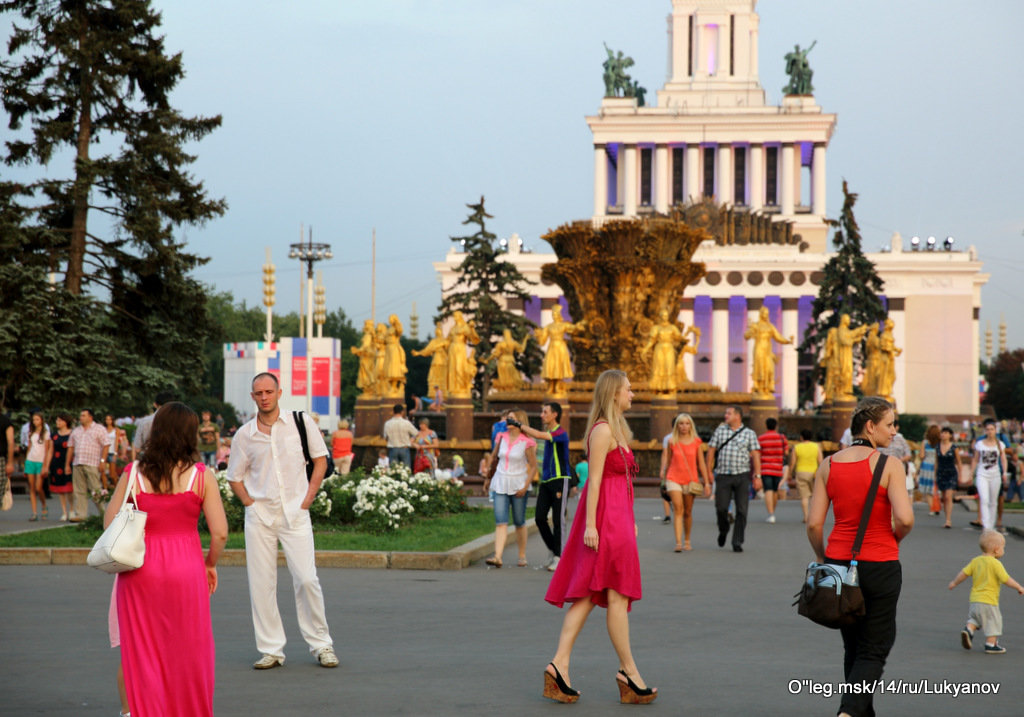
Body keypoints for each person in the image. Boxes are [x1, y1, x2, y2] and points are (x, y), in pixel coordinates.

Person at [107, 401, 228, 717]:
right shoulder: (201, 476)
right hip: (187, 569)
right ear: (190, 434)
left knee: (141, 650)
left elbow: (109, 524)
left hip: (139, 570)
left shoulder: (133, 473)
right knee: (189, 649)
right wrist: (210, 564)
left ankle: (144, 711)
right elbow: (220, 534)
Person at [543, 370, 656, 704]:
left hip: (617, 520)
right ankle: (629, 673)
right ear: (614, 393)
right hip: (605, 522)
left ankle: (559, 665)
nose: (632, 395)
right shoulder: (603, 430)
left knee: (591, 593)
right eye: (628, 390)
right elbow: (593, 482)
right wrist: (591, 525)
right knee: (616, 594)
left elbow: (620, 483)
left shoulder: (615, 429)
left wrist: (629, 519)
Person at [807, 397, 913, 717]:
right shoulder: (889, 465)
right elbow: (905, 519)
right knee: (874, 648)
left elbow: (813, 523)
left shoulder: (828, 464)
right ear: (870, 426)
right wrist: (892, 539)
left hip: (839, 562)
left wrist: (825, 557)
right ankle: (847, 713)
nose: (894, 431)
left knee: (853, 646)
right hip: (880, 562)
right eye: (890, 424)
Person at [227, 372, 339, 669]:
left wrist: (309, 497)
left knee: (306, 579)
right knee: (262, 584)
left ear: (279, 392)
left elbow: (320, 460)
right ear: (252, 397)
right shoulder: (245, 435)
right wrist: (250, 503)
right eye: (258, 393)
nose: (264, 397)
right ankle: (271, 649)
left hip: (295, 512)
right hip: (260, 516)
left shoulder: (300, 422)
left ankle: (321, 645)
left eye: (268, 391)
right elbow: (233, 477)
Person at [949, 530, 1024, 654]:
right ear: (996, 549)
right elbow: (1006, 579)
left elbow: (963, 573)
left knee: (975, 619)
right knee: (994, 622)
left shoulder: (975, 561)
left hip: (974, 600)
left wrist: (954, 583)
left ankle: (969, 629)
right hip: (989, 601)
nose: (1003, 550)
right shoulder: (996, 564)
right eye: (1003, 548)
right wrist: (1019, 587)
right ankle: (991, 644)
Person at [521, 402, 575, 572]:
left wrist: (519, 425)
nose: (541, 415)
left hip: (560, 480)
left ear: (555, 415)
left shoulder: (560, 433)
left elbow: (538, 434)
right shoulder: (548, 433)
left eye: (545, 412)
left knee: (559, 520)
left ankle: (559, 556)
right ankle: (555, 550)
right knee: (539, 518)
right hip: (546, 482)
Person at [482, 409, 537, 568]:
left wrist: (526, 485)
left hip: (518, 482)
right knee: (501, 521)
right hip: (500, 481)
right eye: (507, 418)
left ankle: (522, 554)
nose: (507, 421)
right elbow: (493, 457)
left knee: (519, 521)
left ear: (519, 421)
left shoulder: (527, 442)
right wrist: (488, 477)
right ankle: (498, 556)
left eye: (511, 419)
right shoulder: (501, 437)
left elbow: (533, 467)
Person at [706, 405, 761, 553]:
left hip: (742, 476)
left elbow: (756, 455)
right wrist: (709, 471)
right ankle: (723, 529)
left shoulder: (749, 433)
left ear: (738, 416)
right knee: (721, 508)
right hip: (723, 475)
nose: (725, 415)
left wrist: (758, 476)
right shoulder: (720, 431)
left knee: (742, 510)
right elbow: (711, 451)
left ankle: (737, 541)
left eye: (728, 413)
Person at [660, 413, 708, 552]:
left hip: (690, 480)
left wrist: (707, 482)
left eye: (687, 423)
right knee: (678, 508)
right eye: (681, 423)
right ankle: (678, 543)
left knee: (687, 511)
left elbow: (701, 464)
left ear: (691, 425)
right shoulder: (672, 442)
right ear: (677, 426)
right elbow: (668, 461)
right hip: (673, 478)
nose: (684, 426)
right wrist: (664, 479)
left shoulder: (696, 442)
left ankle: (687, 539)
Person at [66, 408, 111, 521]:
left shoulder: (99, 429)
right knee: (79, 490)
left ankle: (103, 513)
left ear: (90, 417)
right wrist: (67, 464)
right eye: (81, 415)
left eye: (83, 415)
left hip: (92, 463)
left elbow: (106, 445)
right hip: (78, 463)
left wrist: (102, 461)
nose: (81, 417)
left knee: (96, 489)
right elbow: (70, 447)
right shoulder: (76, 431)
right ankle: (81, 514)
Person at [970, 418, 1007, 531]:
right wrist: (972, 473)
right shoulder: (980, 444)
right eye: (987, 429)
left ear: (995, 430)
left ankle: (991, 524)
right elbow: (975, 459)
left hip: (995, 474)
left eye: (992, 429)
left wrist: (1004, 472)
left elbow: (1003, 459)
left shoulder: (1000, 444)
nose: (990, 431)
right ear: (985, 431)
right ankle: (986, 525)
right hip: (982, 474)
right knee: (984, 499)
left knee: (993, 500)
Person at [758, 417, 788, 524]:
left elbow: (758, 453)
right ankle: (772, 512)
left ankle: (771, 514)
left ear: (766, 426)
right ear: (776, 426)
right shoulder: (782, 438)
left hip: (765, 468)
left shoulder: (761, 438)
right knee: (775, 491)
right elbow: (786, 452)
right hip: (778, 468)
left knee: (768, 490)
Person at [789, 429, 823, 524]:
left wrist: (790, 473)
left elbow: (792, 462)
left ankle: (806, 516)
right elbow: (820, 461)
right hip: (814, 473)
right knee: (814, 496)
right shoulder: (816, 447)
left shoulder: (797, 447)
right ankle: (814, 516)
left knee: (804, 497)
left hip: (801, 472)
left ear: (801, 437)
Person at [132, 390, 176, 460]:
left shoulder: (144, 422)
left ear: (155, 404)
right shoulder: (178, 421)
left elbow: (137, 448)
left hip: (149, 461)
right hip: (172, 461)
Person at [24, 410, 51, 521]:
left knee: (38, 487)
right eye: (34, 420)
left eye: (37, 419)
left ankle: (44, 504)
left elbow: (47, 450)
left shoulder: (45, 433)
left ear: (41, 420)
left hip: (40, 461)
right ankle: (34, 512)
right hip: (31, 460)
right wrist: (26, 461)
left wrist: (45, 465)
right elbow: (29, 447)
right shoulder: (31, 432)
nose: (35, 422)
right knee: (31, 488)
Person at [48, 413, 74, 521]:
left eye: (59, 421)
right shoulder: (54, 435)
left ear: (65, 422)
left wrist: (68, 464)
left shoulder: (72, 434)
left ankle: (72, 510)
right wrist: (47, 464)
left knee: (69, 488)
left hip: (69, 462)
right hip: (56, 463)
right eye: (57, 420)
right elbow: (50, 450)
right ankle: (64, 511)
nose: (57, 423)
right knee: (60, 489)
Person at [935, 426, 962, 529]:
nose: (943, 435)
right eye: (942, 433)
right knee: (943, 498)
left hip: (951, 473)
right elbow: (936, 461)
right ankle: (946, 517)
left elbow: (959, 462)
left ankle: (948, 520)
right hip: (941, 472)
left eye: (946, 433)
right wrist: (935, 475)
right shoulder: (937, 446)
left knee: (948, 496)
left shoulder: (954, 447)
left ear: (950, 435)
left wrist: (960, 475)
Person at [382, 403, 417, 470]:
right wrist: (411, 440)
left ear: (393, 411)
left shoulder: (387, 423)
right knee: (406, 471)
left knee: (393, 471)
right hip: (404, 448)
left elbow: (386, 438)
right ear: (402, 412)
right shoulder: (406, 423)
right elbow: (416, 434)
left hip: (393, 448)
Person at [919, 424, 940, 510]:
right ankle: (937, 507)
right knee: (935, 487)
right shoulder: (940, 443)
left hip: (926, 466)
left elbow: (921, 455)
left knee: (927, 489)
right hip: (936, 466)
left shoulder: (925, 442)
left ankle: (932, 507)